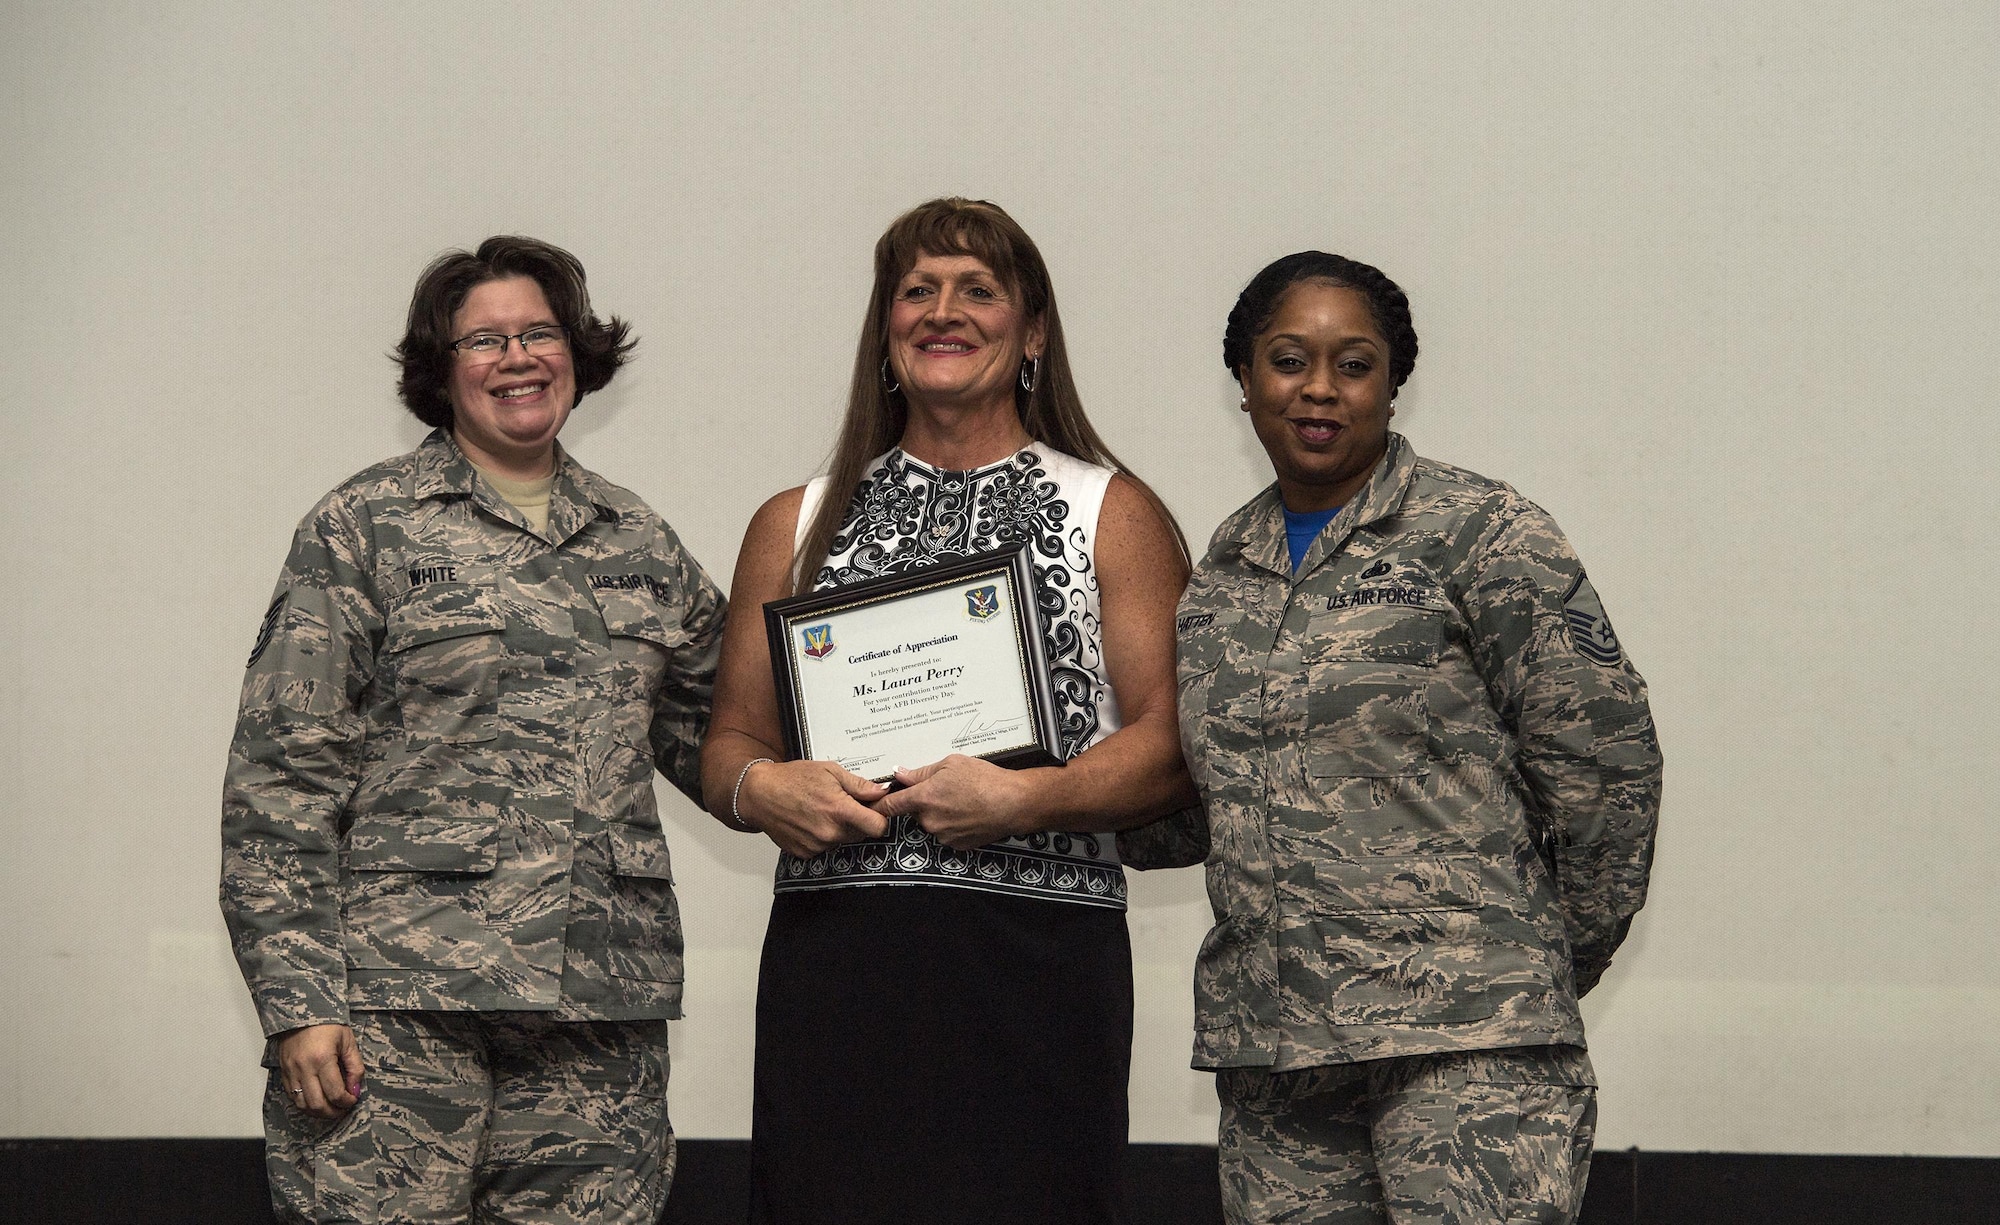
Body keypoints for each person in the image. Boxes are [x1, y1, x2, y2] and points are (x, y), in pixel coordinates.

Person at [701, 197, 1195, 1224]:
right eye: (916, 289)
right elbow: (729, 746)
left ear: (1032, 332)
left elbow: (1172, 748)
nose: (943, 310)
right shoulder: (794, 521)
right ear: (884, 330)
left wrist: (1023, 803)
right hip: (840, 970)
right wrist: (761, 789)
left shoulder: (1111, 510)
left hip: (1035, 973)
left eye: (978, 289)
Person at [220, 236, 725, 1224]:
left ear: (577, 353)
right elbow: (281, 781)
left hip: (596, 1022)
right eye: (484, 339)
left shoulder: (640, 540)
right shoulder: (361, 527)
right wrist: (299, 1000)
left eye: (540, 332)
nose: (518, 356)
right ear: (439, 370)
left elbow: (730, 731)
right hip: (398, 1011)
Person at [1176, 251, 1662, 1225]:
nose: (1318, 387)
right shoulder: (1219, 571)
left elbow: (1605, 765)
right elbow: (1200, 803)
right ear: (1241, 380)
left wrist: (1533, 961)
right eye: (1286, 359)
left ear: (1392, 385)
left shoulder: (1480, 532)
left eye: (1352, 363)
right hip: (1279, 1065)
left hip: (1468, 1048)